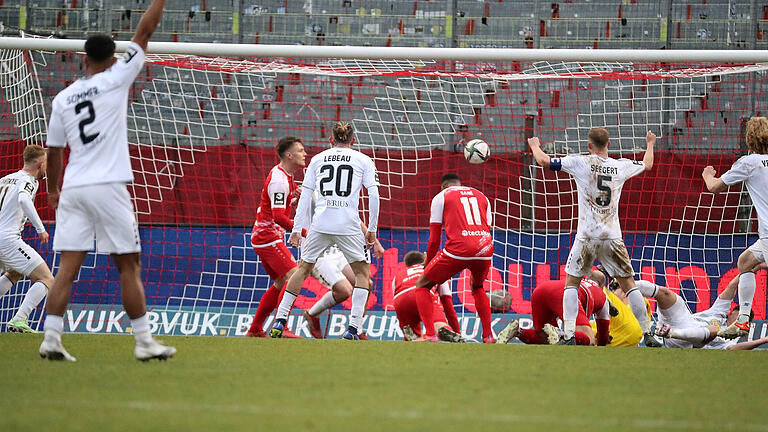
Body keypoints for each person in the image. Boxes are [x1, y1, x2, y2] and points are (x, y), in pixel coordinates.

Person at [40, 0, 171, 362]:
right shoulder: (117, 78)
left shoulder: (63, 98)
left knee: (66, 267)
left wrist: (52, 190)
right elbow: (144, 32)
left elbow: (53, 151)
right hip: (108, 184)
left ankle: (51, 338)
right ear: (112, 58)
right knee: (128, 265)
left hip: (73, 187)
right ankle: (144, 342)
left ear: (83, 59)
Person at [528, 129, 660, 346]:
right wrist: (650, 144)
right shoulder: (621, 165)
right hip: (613, 237)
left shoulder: (581, 162)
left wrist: (534, 145)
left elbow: (543, 161)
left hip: (587, 237)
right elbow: (648, 164)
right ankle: (648, 334)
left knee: (572, 284)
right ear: (609, 143)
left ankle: (569, 336)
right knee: (630, 285)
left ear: (589, 146)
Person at [270, 121, 380, 340]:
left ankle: (280, 320)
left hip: (321, 223)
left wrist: (296, 230)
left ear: (331, 140)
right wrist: (373, 230)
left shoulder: (318, 159)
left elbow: (305, 195)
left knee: (301, 269)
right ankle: (353, 329)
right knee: (362, 275)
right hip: (348, 223)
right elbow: (374, 195)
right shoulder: (364, 160)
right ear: (353, 140)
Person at [702, 116, 768, 339]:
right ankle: (742, 321)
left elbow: (715, 188)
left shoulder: (748, 163)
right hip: (765, 237)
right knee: (746, 262)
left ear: (749, 140)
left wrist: (707, 175)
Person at [411, 174, 495, 343]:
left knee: (422, 285)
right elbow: (488, 225)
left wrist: (428, 264)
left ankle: (429, 335)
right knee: (478, 287)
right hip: (485, 248)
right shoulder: (481, 195)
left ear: (443, 186)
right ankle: (488, 336)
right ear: (460, 184)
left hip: (458, 249)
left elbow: (434, 238)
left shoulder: (441, 197)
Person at [245, 136, 306, 338]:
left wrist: (293, 197)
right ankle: (282, 327)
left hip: (266, 236)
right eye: (300, 150)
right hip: (268, 237)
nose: (305, 153)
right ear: (289, 155)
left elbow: (278, 208)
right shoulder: (280, 180)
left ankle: (255, 329)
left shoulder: (285, 175)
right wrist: (303, 233)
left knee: (280, 283)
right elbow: (279, 216)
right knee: (294, 276)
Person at [633, 267, 768, 350]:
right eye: (739, 317)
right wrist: (750, 269)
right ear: (732, 312)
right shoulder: (718, 311)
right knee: (664, 294)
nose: (737, 321)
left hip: (683, 342)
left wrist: (765, 340)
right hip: (683, 320)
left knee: (715, 330)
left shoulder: (729, 339)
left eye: (743, 321)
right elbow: (732, 286)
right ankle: (625, 285)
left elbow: (734, 349)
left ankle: (670, 333)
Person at [0, 145, 54, 333]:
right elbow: (24, 200)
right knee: (46, 278)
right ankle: (19, 320)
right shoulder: (29, 180)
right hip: (7, 240)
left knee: (14, 273)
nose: (46, 168)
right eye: (46, 164)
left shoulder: (5, 179)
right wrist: (40, 229)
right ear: (40, 164)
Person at [497, 271, 611, 346]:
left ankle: (518, 331)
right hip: (564, 293)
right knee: (588, 340)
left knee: (545, 338)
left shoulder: (580, 281)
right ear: (602, 286)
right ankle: (559, 332)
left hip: (541, 290)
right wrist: (600, 345)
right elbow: (603, 330)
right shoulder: (603, 296)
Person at [392, 251, 463, 342]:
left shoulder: (398, 275)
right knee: (438, 322)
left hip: (401, 301)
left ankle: (415, 337)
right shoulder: (434, 269)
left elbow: (395, 299)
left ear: (406, 265)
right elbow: (448, 305)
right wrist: (457, 331)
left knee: (412, 332)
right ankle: (442, 329)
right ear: (423, 261)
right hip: (424, 297)